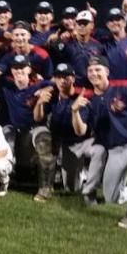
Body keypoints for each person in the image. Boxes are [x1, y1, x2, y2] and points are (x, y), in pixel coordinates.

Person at [71, 56, 127, 228]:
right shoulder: (88, 99)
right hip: (114, 151)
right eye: (90, 71)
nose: (94, 73)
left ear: (107, 71)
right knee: (111, 197)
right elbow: (80, 131)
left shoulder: (124, 87)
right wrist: (74, 112)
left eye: (98, 69)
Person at [34, 63, 106, 205]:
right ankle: (45, 187)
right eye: (59, 77)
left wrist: (75, 111)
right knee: (43, 138)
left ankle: (80, 176)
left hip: (76, 142)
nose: (62, 81)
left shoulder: (81, 96)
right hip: (54, 137)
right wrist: (39, 103)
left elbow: (81, 132)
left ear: (73, 79)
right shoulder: (52, 93)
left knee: (72, 188)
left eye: (66, 77)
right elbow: (37, 118)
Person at [0, 55, 56, 202]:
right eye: (15, 68)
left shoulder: (37, 86)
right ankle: (5, 181)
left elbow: (55, 83)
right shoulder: (7, 87)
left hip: (35, 129)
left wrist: (46, 90)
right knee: (5, 134)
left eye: (22, 67)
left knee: (44, 140)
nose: (18, 71)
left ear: (29, 69)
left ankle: (45, 189)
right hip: (15, 130)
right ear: (11, 71)